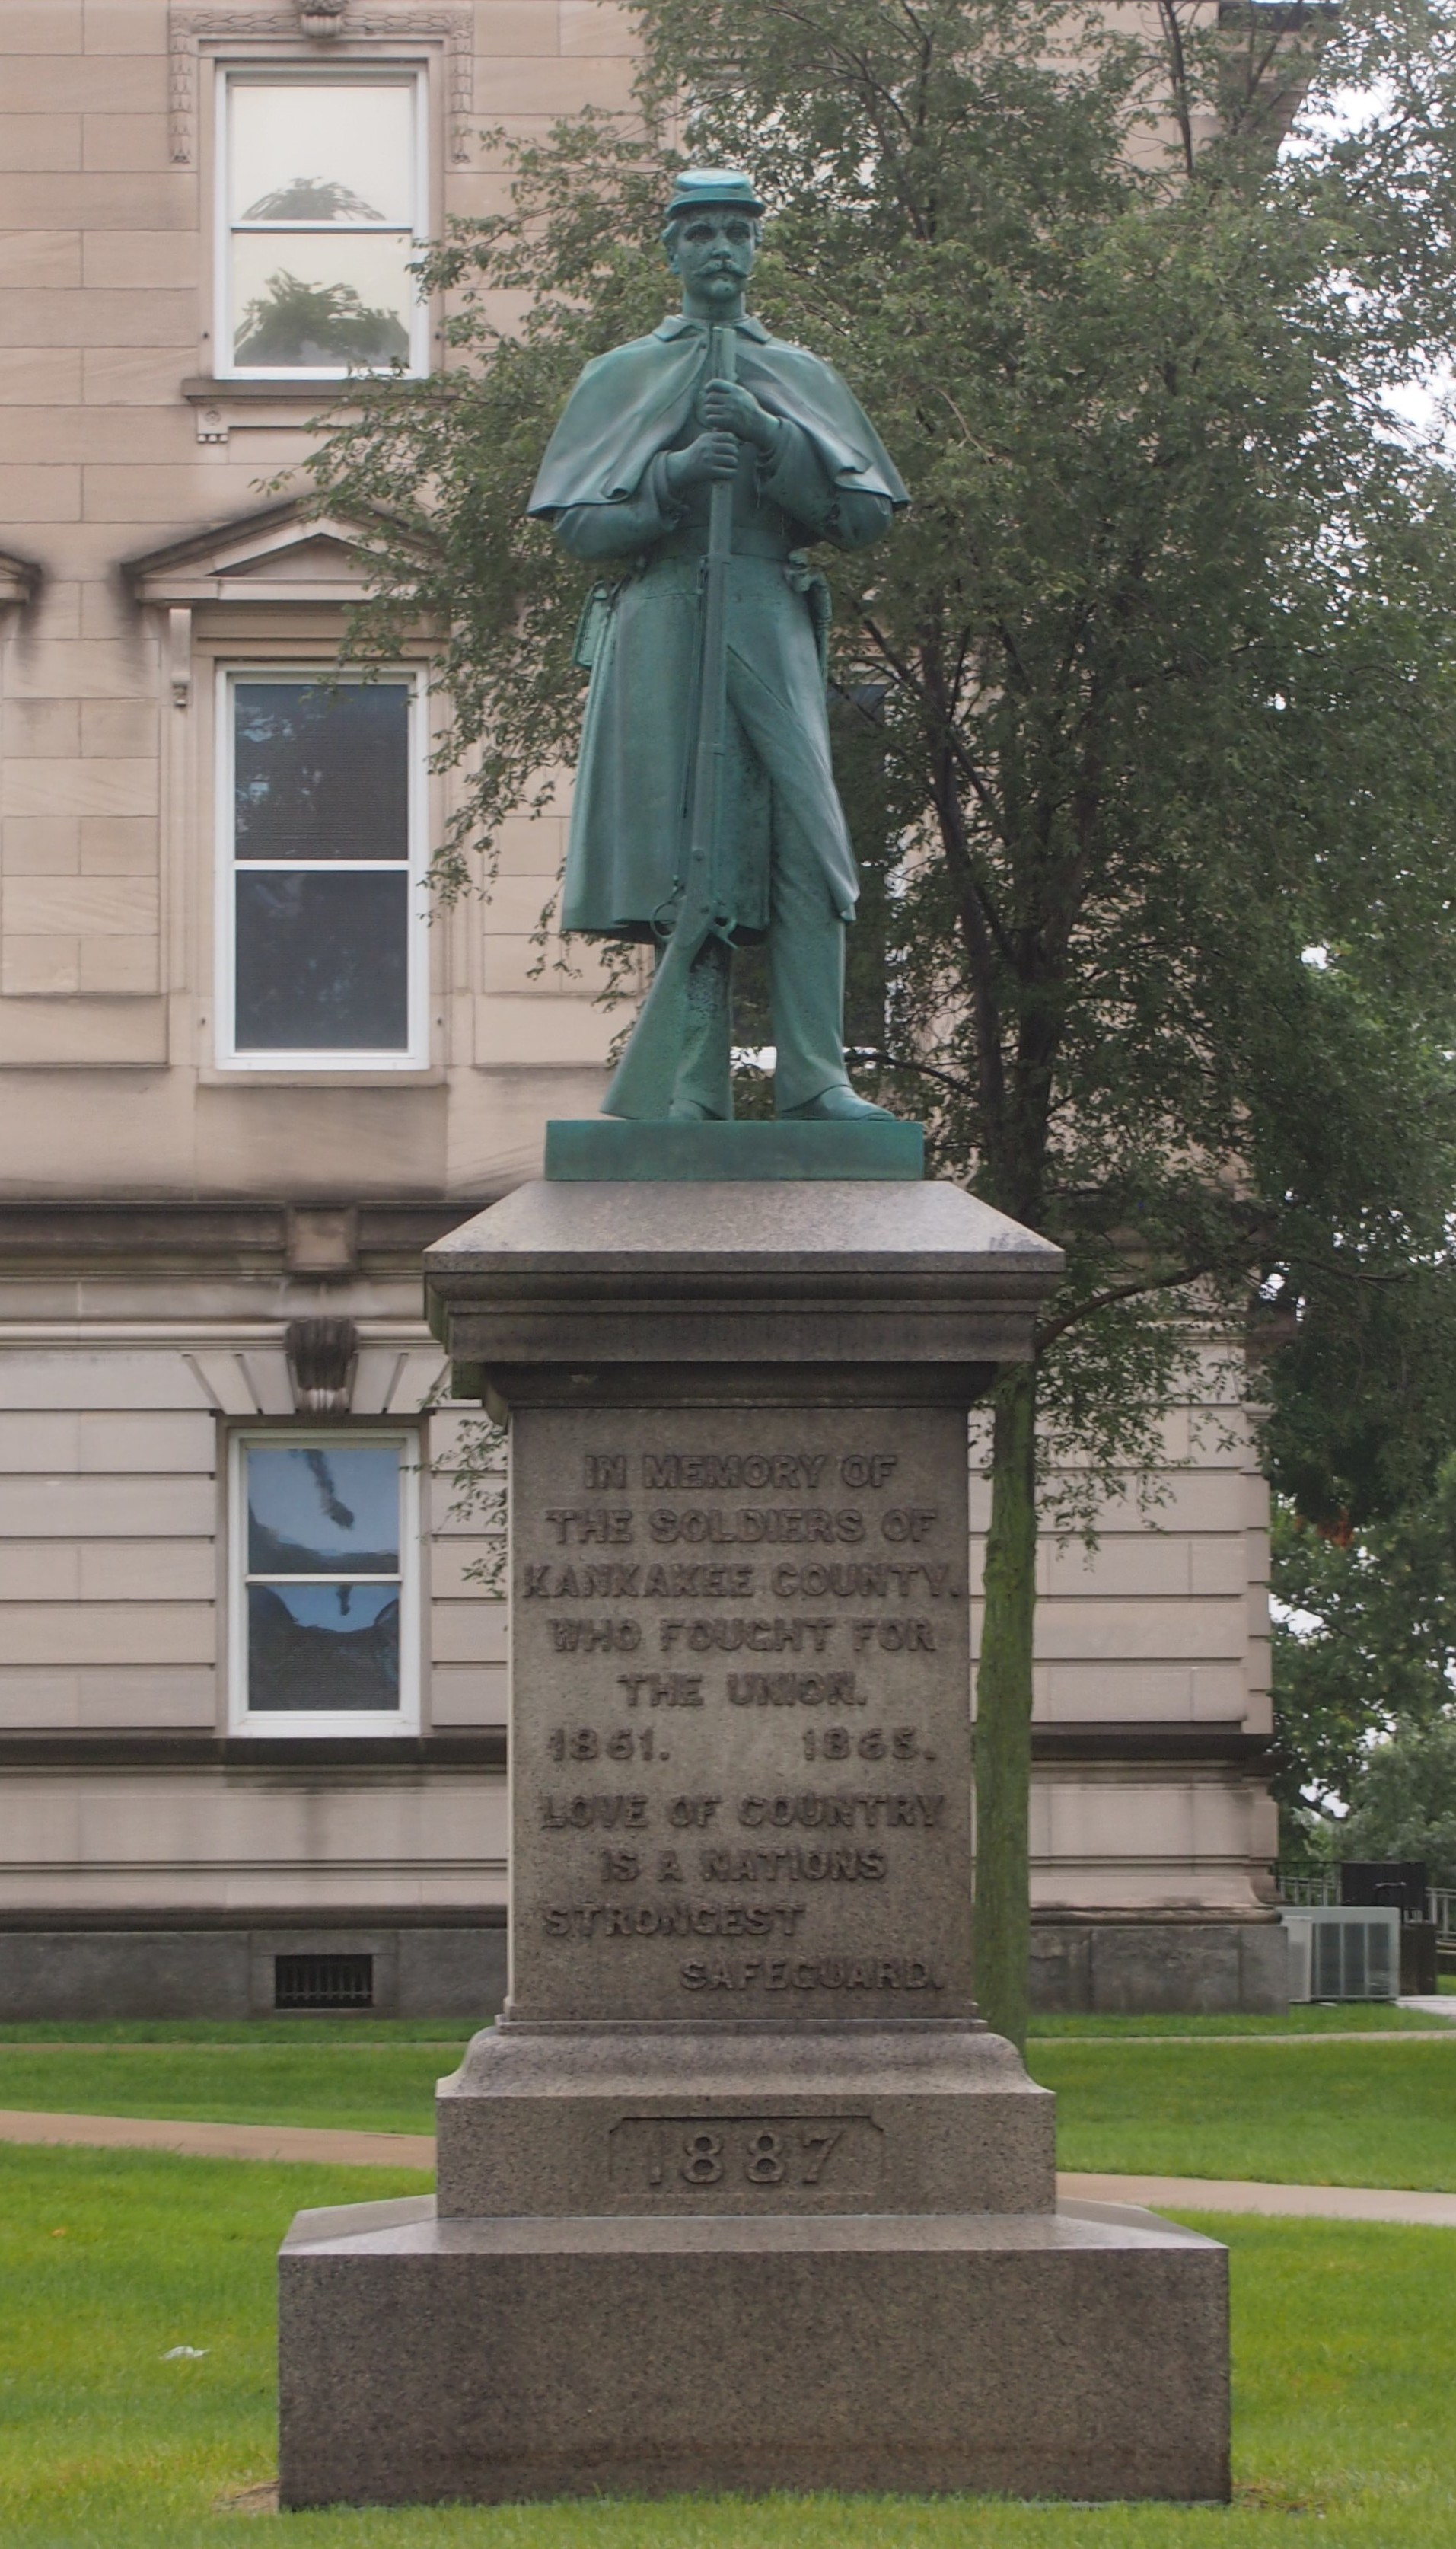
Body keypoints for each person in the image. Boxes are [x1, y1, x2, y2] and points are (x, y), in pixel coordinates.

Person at [528, 169, 909, 1121]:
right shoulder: (621, 373)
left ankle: (815, 1077)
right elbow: (576, 526)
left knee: (810, 845)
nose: (718, 248)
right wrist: (673, 476)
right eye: (697, 231)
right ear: (670, 249)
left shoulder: (798, 371)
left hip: (765, 608)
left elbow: (864, 514)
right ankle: (690, 1086)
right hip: (661, 613)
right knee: (686, 850)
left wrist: (774, 442)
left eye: (735, 230)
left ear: (755, 246)